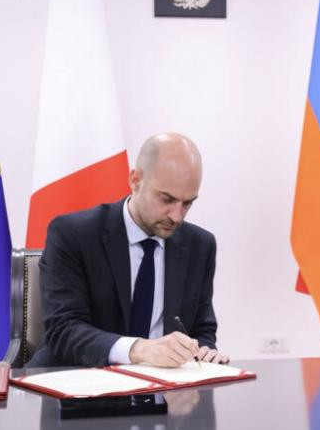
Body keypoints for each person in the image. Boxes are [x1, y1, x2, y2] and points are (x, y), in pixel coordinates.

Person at [28, 133, 228, 367]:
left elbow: (202, 330)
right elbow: (63, 330)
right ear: (135, 180)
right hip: (78, 379)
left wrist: (204, 352)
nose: (176, 216)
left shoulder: (200, 246)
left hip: (162, 384)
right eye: (166, 199)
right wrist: (138, 349)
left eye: (187, 203)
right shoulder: (73, 234)